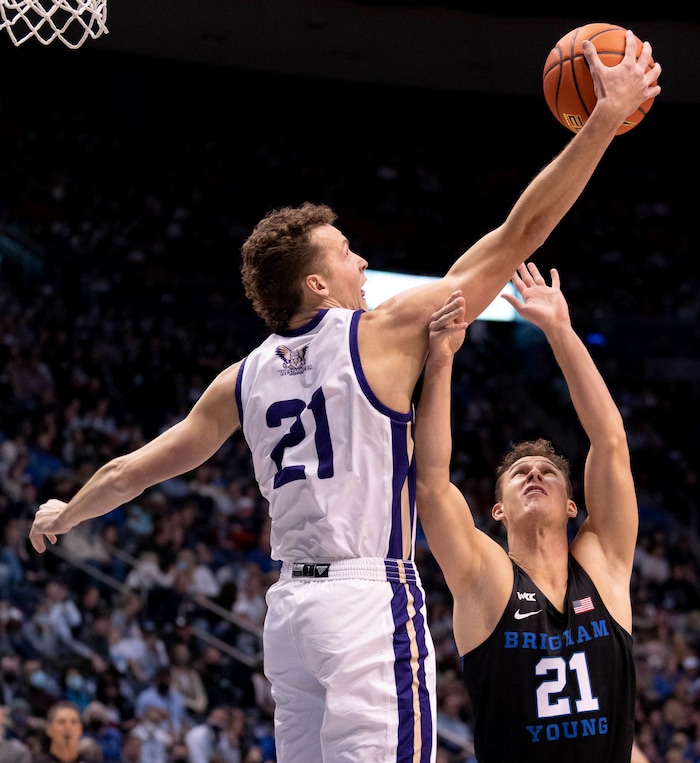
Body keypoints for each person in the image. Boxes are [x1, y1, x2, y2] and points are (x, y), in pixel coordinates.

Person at [28, 33, 661, 763]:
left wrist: (67, 510)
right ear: (316, 285)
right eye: (347, 252)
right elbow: (520, 234)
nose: (363, 261)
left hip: (290, 614)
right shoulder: (379, 332)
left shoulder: (240, 378)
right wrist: (600, 123)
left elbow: (135, 470)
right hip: (365, 600)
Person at [414, 264, 640, 761]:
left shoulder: (604, 565)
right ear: (496, 509)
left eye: (549, 472)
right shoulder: (485, 577)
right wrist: (440, 362)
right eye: (520, 474)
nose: (534, 475)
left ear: (571, 506)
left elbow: (610, 441)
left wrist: (560, 330)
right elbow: (431, 485)